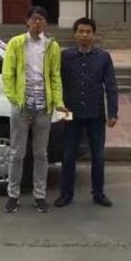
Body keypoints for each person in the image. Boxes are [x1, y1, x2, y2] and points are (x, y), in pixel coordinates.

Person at [1, 5, 67, 214]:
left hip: (43, 107)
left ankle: (40, 196)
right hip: (21, 107)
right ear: (27, 21)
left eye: (41, 19)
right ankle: (13, 195)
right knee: (16, 153)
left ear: (46, 23)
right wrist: (13, 98)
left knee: (41, 154)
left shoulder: (52, 47)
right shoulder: (16, 43)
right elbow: (7, 73)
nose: (38, 23)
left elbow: (55, 76)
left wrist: (58, 102)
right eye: (34, 19)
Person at [55, 17, 118, 208]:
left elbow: (111, 86)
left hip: (96, 113)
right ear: (75, 34)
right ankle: (66, 194)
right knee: (68, 155)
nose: (84, 35)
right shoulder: (65, 57)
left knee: (98, 155)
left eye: (88, 32)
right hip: (69, 112)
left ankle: (98, 193)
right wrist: (57, 106)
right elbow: (56, 81)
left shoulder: (103, 57)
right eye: (80, 31)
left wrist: (113, 112)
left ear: (94, 34)